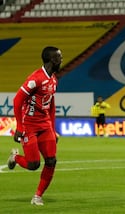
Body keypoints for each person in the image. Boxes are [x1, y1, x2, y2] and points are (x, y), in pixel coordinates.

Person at [7, 46, 63, 205]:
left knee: (51, 161)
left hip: (45, 126)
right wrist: (19, 127)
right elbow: (17, 100)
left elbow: (51, 106)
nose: (61, 60)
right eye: (59, 57)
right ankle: (15, 157)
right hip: (29, 125)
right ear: (52, 59)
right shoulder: (35, 79)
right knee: (33, 164)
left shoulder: (53, 79)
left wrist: (53, 129)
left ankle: (37, 196)